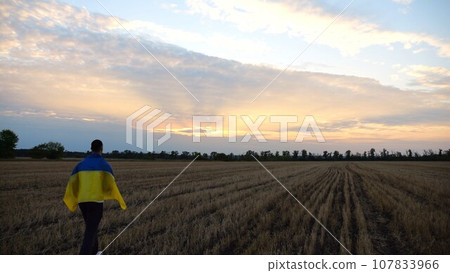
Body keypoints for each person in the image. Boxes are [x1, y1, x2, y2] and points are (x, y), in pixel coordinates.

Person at [63, 139, 126, 254]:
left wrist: (75, 196)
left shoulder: (80, 164)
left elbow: (73, 182)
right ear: (101, 148)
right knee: (90, 231)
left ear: (91, 148)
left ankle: (94, 252)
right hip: (95, 202)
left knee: (92, 227)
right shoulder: (104, 164)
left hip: (82, 201)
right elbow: (109, 183)